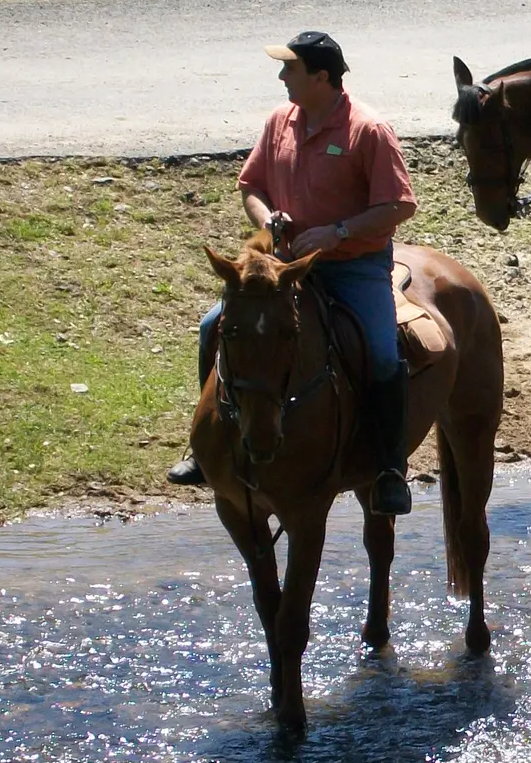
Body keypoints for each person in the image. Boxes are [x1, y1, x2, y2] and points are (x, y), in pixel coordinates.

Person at [167, 32, 419, 515]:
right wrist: (266, 218)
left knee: (384, 354)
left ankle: (389, 469)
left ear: (321, 77)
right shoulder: (278, 122)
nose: (282, 77)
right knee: (210, 326)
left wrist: (337, 232)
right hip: (283, 267)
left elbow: (398, 205)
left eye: (292, 69)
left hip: (353, 267)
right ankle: (206, 446)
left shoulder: (369, 131)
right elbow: (252, 186)